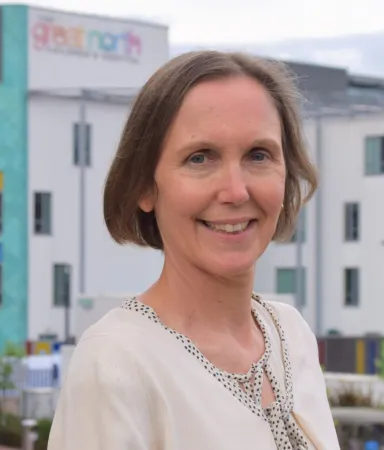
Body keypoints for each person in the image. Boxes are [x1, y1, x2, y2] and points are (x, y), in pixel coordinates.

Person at [48, 51, 339, 450]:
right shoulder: (117, 364)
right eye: (200, 158)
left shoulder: (291, 335)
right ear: (145, 187)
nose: (236, 191)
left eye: (258, 155)